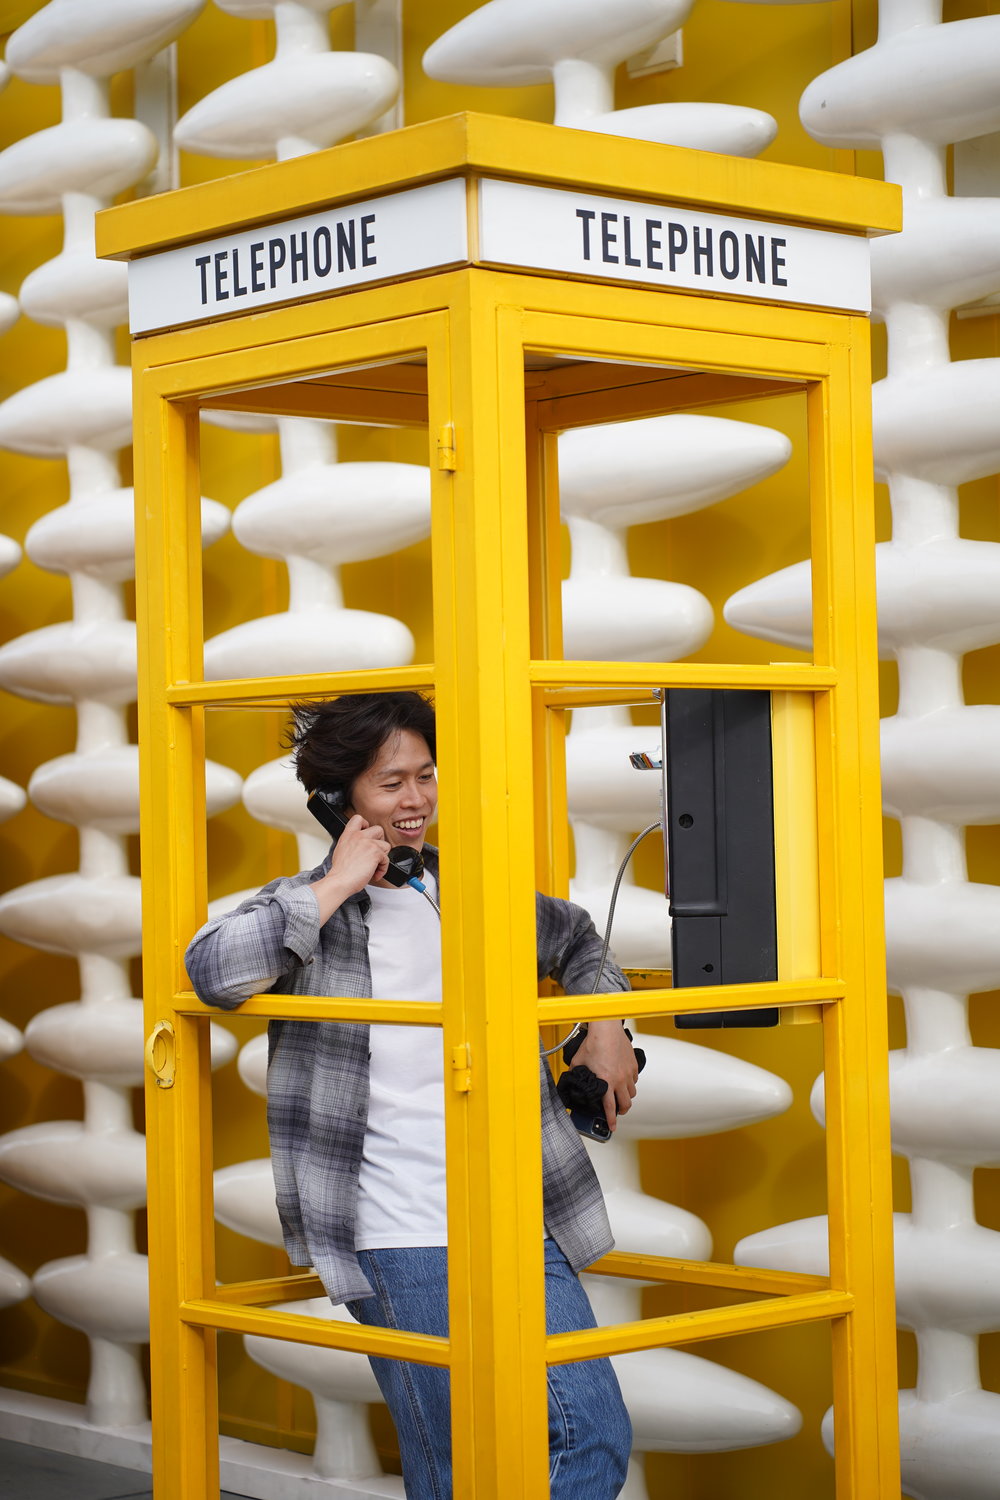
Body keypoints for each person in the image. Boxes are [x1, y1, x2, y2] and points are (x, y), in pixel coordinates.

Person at [186, 692, 638, 1498]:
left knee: (591, 1432)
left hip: (510, 1214)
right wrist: (334, 885)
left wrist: (604, 1024)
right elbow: (214, 972)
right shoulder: (301, 909)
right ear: (338, 799)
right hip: (397, 1227)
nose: (417, 800)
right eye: (391, 783)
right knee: (463, 1463)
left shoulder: (472, 896)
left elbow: (577, 940)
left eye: (425, 777)